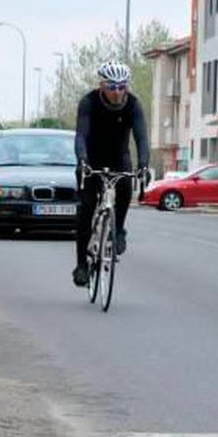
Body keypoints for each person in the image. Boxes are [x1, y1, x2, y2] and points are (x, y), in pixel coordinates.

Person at [72, 60, 149, 287]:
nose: (117, 92)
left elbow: (142, 138)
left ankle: (119, 230)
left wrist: (143, 164)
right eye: (112, 87)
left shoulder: (133, 105)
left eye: (122, 86)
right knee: (86, 209)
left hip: (118, 156)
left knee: (126, 186)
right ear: (102, 85)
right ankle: (81, 266)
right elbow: (81, 136)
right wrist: (82, 160)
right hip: (91, 157)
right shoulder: (89, 102)